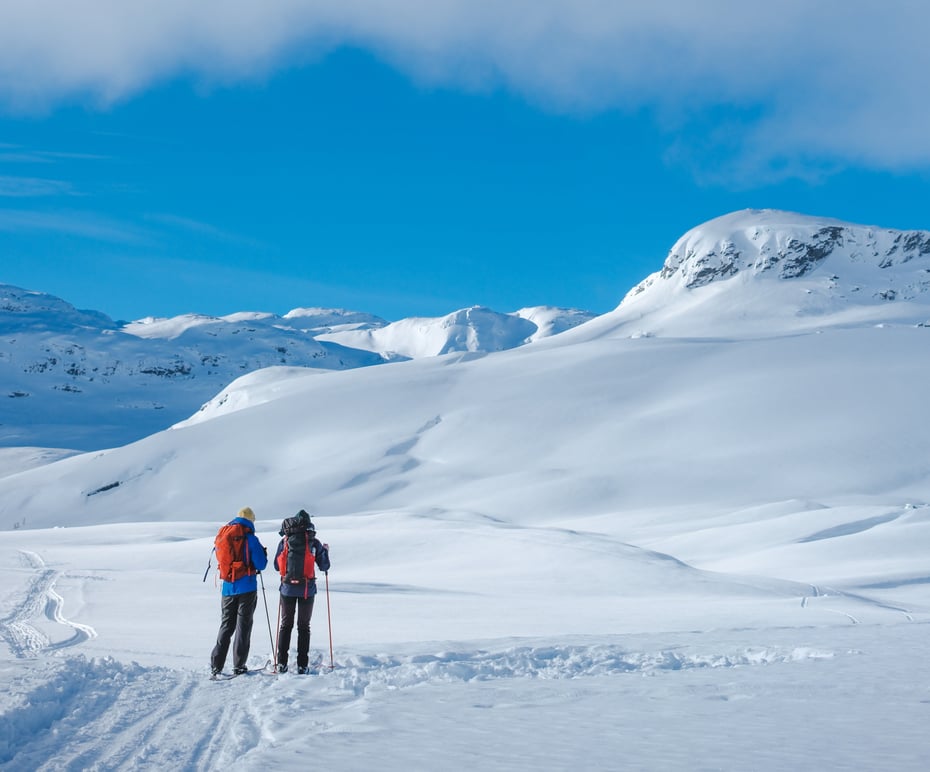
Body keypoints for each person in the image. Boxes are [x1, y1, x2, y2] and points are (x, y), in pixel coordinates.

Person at [210, 506, 268, 676]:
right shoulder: (250, 538)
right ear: (251, 520)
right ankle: (239, 665)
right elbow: (261, 564)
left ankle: (216, 665)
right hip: (247, 588)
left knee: (226, 625)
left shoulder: (224, 535)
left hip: (227, 588)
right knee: (243, 626)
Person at [274, 509, 330, 673]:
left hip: (287, 588)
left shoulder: (285, 541)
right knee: (304, 627)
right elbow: (324, 566)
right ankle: (302, 665)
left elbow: (277, 566)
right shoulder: (313, 541)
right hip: (307, 589)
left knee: (286, 625)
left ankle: (282, 663)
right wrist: (325, 551)